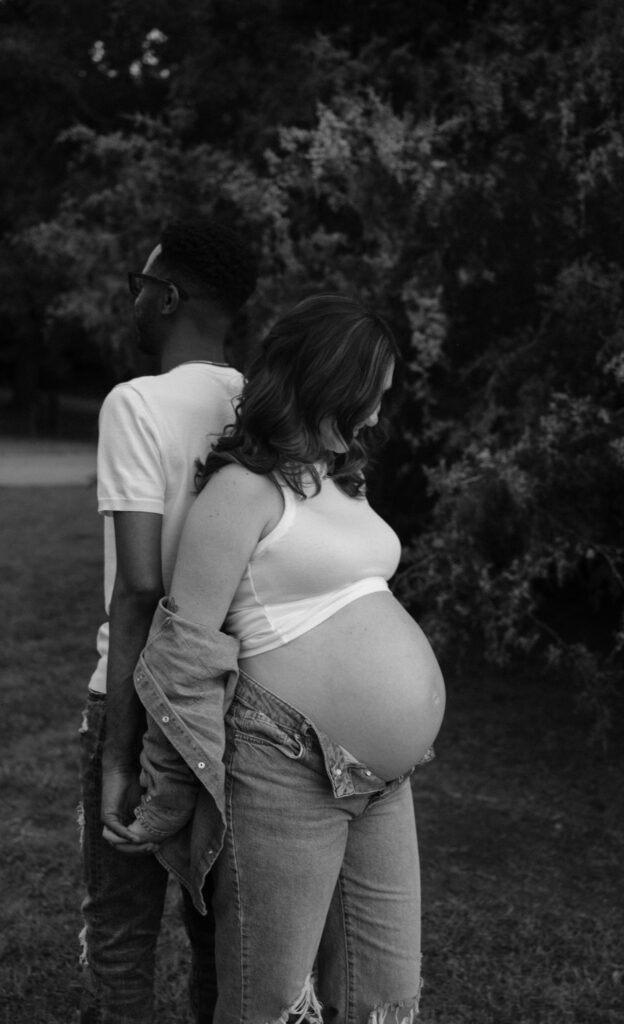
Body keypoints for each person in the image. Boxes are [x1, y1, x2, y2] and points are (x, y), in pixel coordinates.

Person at [117, 294, 446, 1023]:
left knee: (384, 997)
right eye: (370, 398)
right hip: (287, 767)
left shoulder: (340, 482)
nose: (375, 417)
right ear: (327, 382)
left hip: (384, 782)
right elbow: (186, 649)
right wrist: (166, 790)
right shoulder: (242, 490)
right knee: (268, 1002)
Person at [79, 215, 258, 1024]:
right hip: (230, 697)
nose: (134, 298)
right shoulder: (261, 403)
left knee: (122, 925)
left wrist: (118, 753)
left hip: (142, 692)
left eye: (139, 284)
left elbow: (140, 588)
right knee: (214, 924)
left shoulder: (136, 404)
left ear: (169, 296)